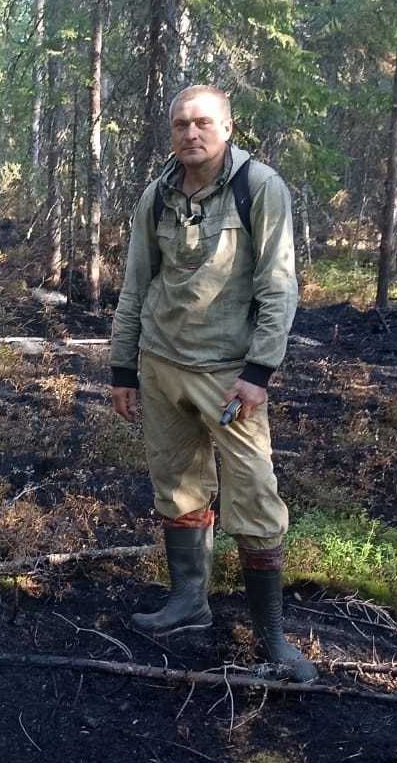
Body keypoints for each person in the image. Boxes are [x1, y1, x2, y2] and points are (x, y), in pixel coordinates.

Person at [109, 85, 316, 681]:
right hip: (160, 365)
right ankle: (188, 602)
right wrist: (124, 369)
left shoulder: (260, 188)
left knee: (253, 494)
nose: (190, 133)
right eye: (180, 124)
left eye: (202, 123)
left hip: (229, 378)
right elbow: (135, 286)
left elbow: (279, 287)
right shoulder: (157, 195)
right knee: (177, 487)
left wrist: (258, 374)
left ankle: (272, 638)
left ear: (227, 127)